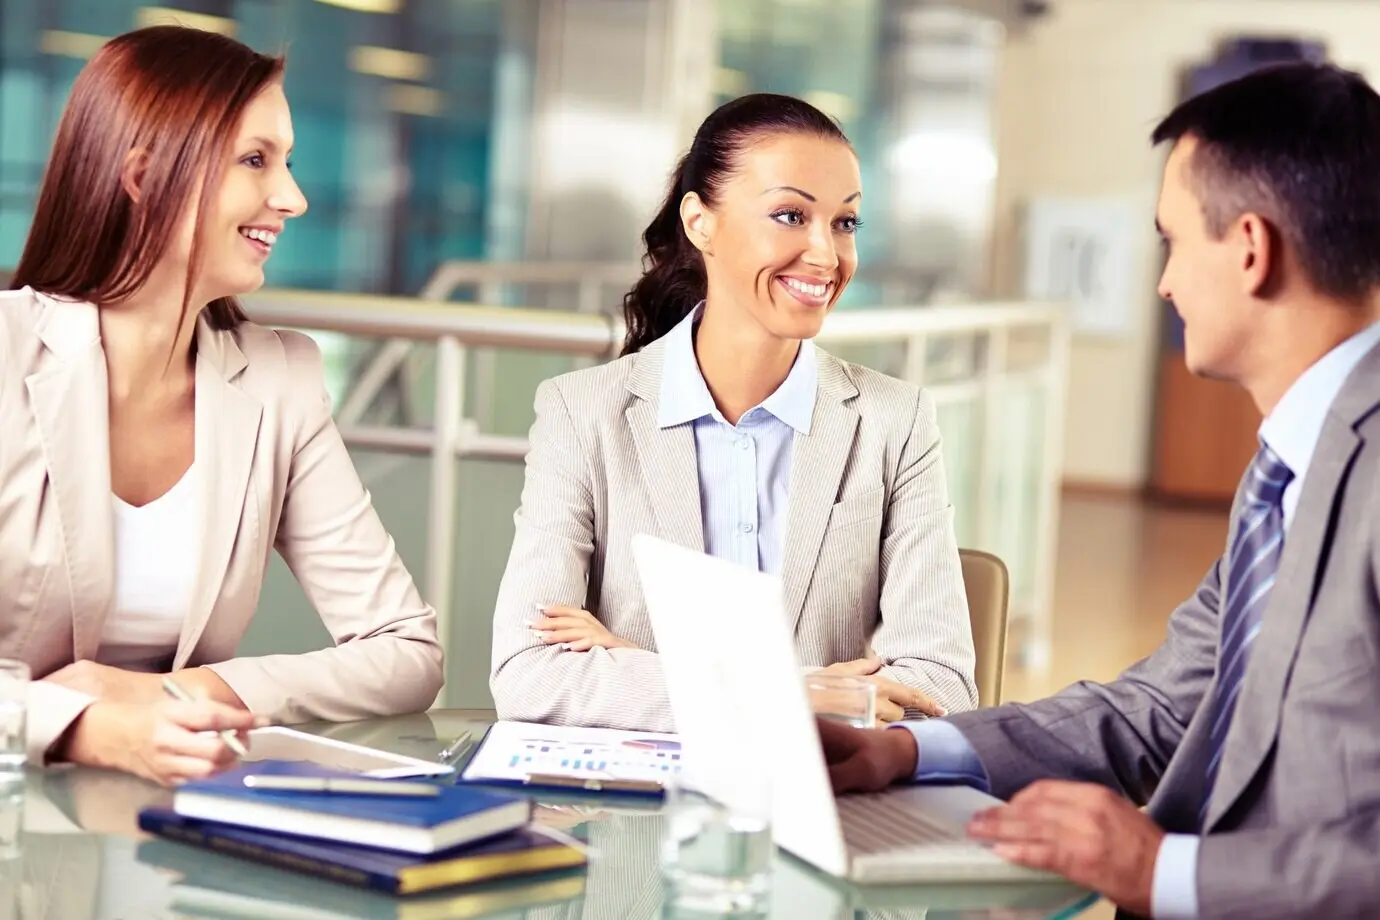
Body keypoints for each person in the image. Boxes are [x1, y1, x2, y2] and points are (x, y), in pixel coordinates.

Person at [817, 61, 1380, 920]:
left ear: (1252, 250)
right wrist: (902, 750)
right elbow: (1161, 704)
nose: (1165, 282)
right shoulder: (1290, 469)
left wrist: (1161, 871)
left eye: (1173, 241)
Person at [0, 26, 444, 787]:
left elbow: (407, 650)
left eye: (289, 161)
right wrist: (80, 727)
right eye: (255, 160)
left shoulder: (279, 381)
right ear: (141, 175)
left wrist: (183, 692)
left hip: (172, 827)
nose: (293, 198)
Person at [489, 93, 978, 733]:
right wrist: (788, 691)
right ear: (701, 223)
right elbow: (529, 672)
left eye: (845, 223)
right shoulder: (582, 412)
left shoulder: (894, 420)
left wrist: (644, 666)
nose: (827, 255)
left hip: (828, 805)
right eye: (789, 214)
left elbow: (941, 688)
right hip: (639, 819)